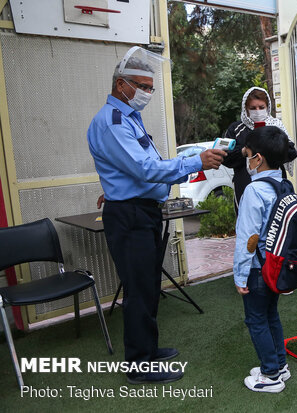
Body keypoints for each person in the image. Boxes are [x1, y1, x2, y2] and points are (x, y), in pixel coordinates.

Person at [87, 49, 227, 385]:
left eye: (150, 87)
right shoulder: (113, 122)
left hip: (141, 212)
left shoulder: (129, 119)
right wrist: (197, 161)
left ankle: (148, 350)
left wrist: (115, 185)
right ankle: (139, 365)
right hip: (130, 215)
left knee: (149, 286)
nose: (147, 93)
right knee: (138, 289)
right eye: (142, 86)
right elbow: (146, 169)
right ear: (121, 85)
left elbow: (135, 168)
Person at [233, 126, 291, 393]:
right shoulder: (285, 183)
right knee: (271, 315)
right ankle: (280, 364)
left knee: (256, 320)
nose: (247, 160)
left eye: (247, 154)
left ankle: (270, 375)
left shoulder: (254, 191)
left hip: (257, 268)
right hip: (277, 266)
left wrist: (240, 276)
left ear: (258, 158)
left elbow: (248, 239)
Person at [222, 87, 296, 213]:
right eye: (253, 108)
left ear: (267, 107)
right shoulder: (236, 129)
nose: (258, 111)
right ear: (246, 109)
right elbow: (225, 156)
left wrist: (270, 148)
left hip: (275, 185)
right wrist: (244, 151)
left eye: (261, 107)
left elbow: (291, 153)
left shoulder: (276, 126)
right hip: (245, 186)